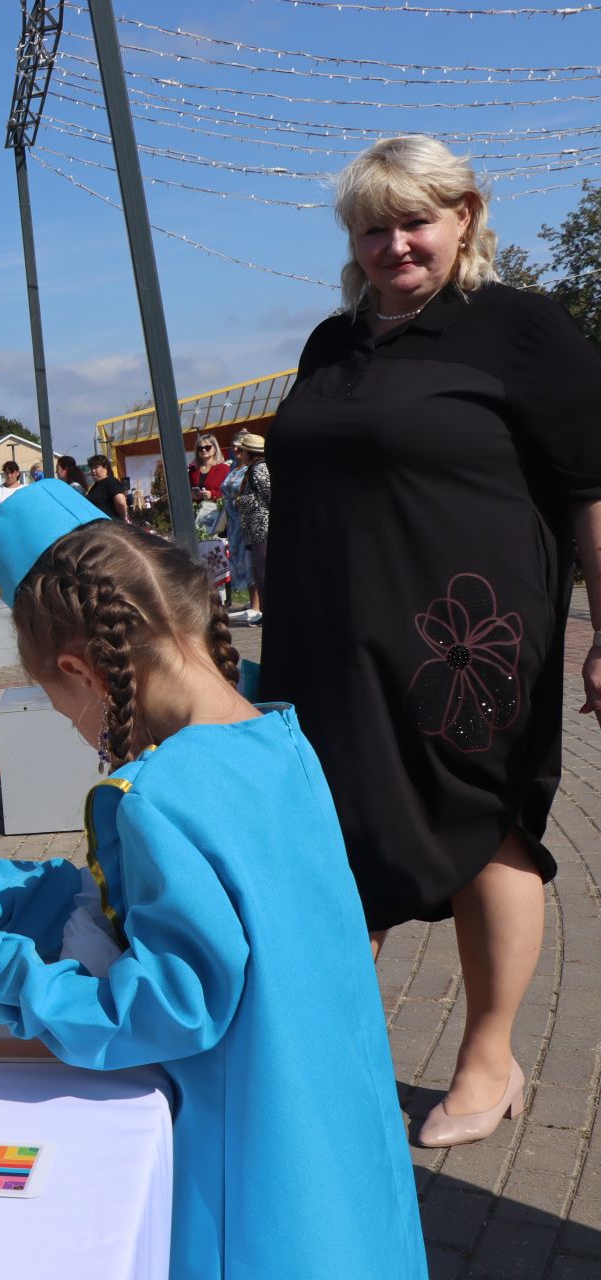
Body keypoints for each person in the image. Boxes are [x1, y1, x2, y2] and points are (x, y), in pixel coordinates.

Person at [0, 482, 424, 1279]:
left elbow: (162, 1009)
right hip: (335, 1158)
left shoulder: (160, 798)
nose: (67, 723)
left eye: (54, 700)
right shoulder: (278, 742)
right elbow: (133, 905)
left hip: (254, 1193)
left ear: (80, 670)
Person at [261, 135, 601, 1149]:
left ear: (465, 216)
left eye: (416, 220)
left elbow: (592, 486)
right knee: (329, 839)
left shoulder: (523, 329)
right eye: (374, 226)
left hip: (466, 633)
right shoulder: (334, 343)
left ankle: (489, 1059)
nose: (396, 243)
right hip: (327, 639)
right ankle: (326, 1058)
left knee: (477, 824)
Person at [221, 431, 269, 624]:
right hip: (252, 529)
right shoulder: (252, 469)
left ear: (250, 452)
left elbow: (269, 495)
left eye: (243, 450)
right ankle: (265, 611)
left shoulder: (260, 470)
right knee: (258, 570)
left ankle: (268, 611)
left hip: (262, 528)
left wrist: (247, 501)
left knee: (264, 570)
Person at [84, 454, 129, 524]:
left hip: (110, 526)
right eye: (92, 468)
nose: (93, 471)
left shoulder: (111, 481)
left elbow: (121, 502)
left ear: (105, 467)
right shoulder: (95, 486)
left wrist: (123, 518)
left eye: (96, 467)